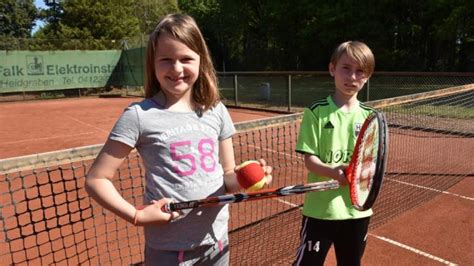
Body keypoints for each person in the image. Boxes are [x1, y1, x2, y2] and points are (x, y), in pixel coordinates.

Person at [85, 13, 272, 265]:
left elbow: (227, 177)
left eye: (186, 59)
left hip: (217, 244)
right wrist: (137, 216)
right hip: (168, 253)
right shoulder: (139, 116)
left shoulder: (216, 111)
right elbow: (97, 179)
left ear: (200, 61)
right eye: (166, 60)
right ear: (153, 64)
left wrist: (245, 178)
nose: (176, 69)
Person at [293, 41, 376, 266]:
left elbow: (370, 163)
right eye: (346, 68)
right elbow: (309, 160)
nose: (352, 77)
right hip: (321, 210)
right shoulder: (316, 112)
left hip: (357, 212)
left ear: (367, 76)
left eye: (360, 71)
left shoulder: (371, 118)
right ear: (332, 69)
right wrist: (332, 171)